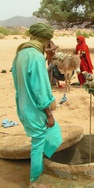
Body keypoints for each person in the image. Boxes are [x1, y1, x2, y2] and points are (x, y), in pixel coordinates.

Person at [12, 23, 62, 188]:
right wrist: (49, 113)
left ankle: (40, 169)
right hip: (36, 109)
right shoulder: (36, 56)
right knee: (39, 144)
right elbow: (40, 89)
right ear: (45, 39)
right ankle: (35, 182)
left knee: (43, 139)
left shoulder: (20, 53)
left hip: (23, 107)